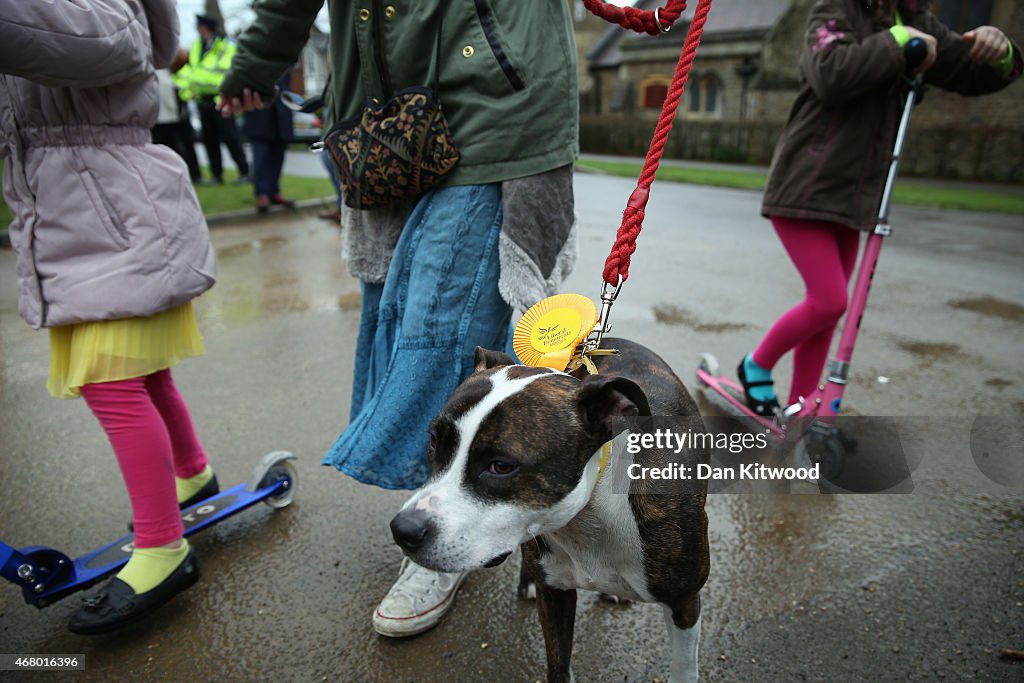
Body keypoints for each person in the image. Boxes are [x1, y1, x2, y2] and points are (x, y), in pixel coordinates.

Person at [219, 2, 578, 638]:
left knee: (444, 328)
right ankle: (502, 512)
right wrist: (256, 60)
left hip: (492, 108)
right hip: (385, 123)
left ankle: (449, 543)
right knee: (403, 316)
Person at [0, 0, 219, 634]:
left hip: (114, 213)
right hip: (79, 213)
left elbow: (94, 41)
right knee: (145, 376)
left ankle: (162, 547)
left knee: (113, 385)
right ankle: (193, 473)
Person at [737, 0, 1020, 416]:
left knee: (826, 314)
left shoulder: (923, 24)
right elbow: (830, 73)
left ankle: (801, 405)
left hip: (856, 196)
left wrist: (1003, 51)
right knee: (830, 301)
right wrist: (898, 41)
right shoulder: (838, 9)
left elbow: (970, 73)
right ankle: (756, 364)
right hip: (804, 187)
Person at [188, 14, 251, 185]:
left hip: (221, 99)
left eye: (199, 27)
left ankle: (244, 171)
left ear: (205, 27)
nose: (197, 30)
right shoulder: (196, 46)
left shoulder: (225, 44)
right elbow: (194, 70)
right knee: (209, 140)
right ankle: (217, 175)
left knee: (231, 138)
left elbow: (228, 68)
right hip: (202, 100)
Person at [243, 72, 296, 213]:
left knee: (278, 155)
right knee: (261, 156)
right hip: (260, 112)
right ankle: (262, 194)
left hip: (281, 112)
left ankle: (274, 191)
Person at [152, 49, 202, 183]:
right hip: (167, 117)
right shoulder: (162, 74)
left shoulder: (166, 75)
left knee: (180, 147)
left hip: (170, 117)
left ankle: (191, 175)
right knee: (177, 147)